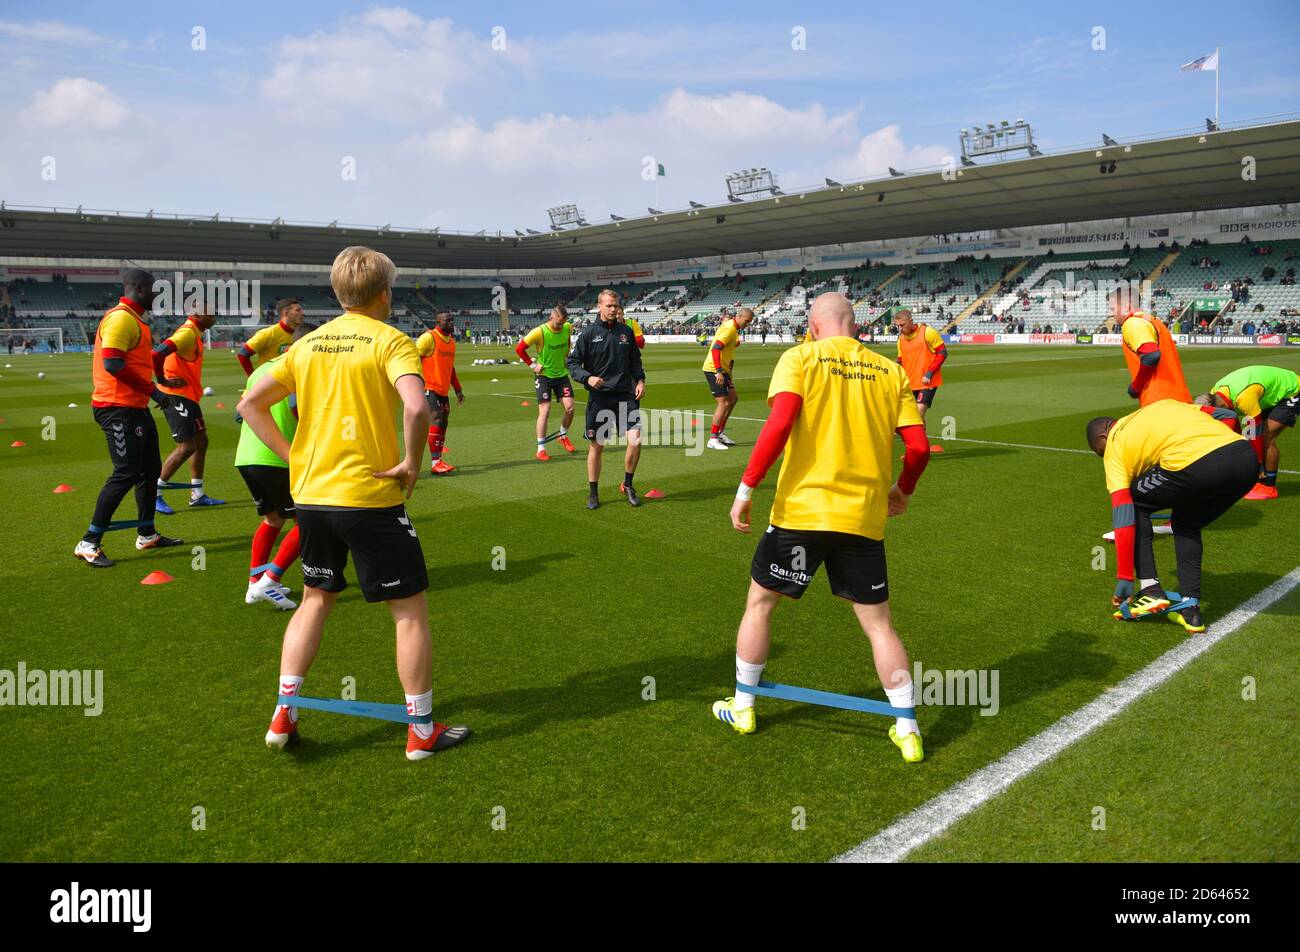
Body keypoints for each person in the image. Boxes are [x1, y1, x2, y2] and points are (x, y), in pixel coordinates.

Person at [239, 246, 468, 761]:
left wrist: (293, 456)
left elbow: (250, 404)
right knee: (408, 611)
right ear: (384, 294)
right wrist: (412, 462)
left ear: (339, 293)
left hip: (314, 497)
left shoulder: (309, 344)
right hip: (370, 497)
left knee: (315, 597)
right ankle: (421, 730)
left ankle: (284, 711)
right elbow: (417, 406)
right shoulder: (393, 341)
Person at [715, 293, 931, 763]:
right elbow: (918, 447)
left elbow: (779, 423)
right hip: (862, 518)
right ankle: (908, 728)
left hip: (802, 514)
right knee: (879, 627)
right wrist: (904, 490)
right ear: (854, 326)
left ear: (813, 326)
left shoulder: (800, 357)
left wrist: (746, 488)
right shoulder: (888, 369)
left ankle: (745, 705)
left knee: (760, 604)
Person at [1086, 401, 1257, 634]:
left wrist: (1125, 577)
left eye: (1099, 451)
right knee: (1186, 522)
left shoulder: (1115, 446)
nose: (1102, 456)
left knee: (1135, 503)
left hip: (1195, 465)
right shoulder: (1163, 405)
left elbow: (1124, 517)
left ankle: (1150, 591)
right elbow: (1226, 415)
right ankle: (1191, 609)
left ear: (1104, 436)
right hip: (1246, 461)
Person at [73, 269, 185, 567]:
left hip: (133, 408)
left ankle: (147, 533)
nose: (158, 297)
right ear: (141, 288)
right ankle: (89, 541)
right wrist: (156, 393)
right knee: (125, 472)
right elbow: (112, 363)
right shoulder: (122, 318)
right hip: (116, 407)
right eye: (155, 291)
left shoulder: (136, 320)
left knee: (150, 469)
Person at [235, 323, 317, 610]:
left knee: (273, 519)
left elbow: (240, 409)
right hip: (277, 456)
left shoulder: (262, 368)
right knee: (308, 521)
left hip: (247, 456)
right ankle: (269, 581)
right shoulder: (301, 367)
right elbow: (299, 409)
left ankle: (254, 583)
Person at [566, 288, 646, 509]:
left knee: (635, 439)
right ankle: (593, 492)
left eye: (616, 305)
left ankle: (628, 485)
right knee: (597, 446)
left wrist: (640, 381)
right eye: (609, 305)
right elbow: (572, 363)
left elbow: (635, 362)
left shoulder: (626, 332)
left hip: (625, 396)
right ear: (599, 307)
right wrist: (587, 378)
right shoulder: (588, 333)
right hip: (600, 399)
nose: (613, 309)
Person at [152, 310, 224, 513]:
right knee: (187, 447)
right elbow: (157, 353)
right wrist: (163, 381)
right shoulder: (187, 333)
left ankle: (197, 494)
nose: (214, 318)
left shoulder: (194, 333)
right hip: (177, 396)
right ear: (198, 314)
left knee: (202, 441)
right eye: (211, 314)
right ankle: (155, 494)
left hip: (188, 396)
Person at [1196, 365, 1300, 500]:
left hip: (1293, 389)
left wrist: (1258, 464)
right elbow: (1237, 428)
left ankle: (1269, 487)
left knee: (1267, 436)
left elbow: (1254, 433)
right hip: (1266, 395)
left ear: (1221, 407)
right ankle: (1257, 481)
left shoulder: (1244, 399)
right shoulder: (1215, 394)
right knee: (1249, 438)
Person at [515, 304, 578, 461]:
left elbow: (568, 341)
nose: (560, 326)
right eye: (558, 323)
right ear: (551, 316)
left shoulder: (567, 327)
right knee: (545, 410)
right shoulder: (539, 332)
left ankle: (562, 436)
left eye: (563, 323)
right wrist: (532, 365)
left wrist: (567, 355)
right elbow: (519, 349)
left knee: (570, 408)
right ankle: (541, 449)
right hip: (544, 376)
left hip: (561, 375)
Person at [1115, 288, 1190, 405]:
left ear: (1125, 306)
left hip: (1159, 400)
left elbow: (1151, 355)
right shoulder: (1153, 320)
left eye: (1113, 308)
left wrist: (1135, 386)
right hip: (1178, 396)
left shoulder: (1133, 323)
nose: (1111, 313)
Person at [415, 310, 464, 475]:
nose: (451, 323)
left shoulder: (451, 341)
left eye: (452, 320)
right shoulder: (429, 337)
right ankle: (435, 463)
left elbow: (451, 368)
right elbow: (413, 358)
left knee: (443, 422)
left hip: (443, 390)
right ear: (438, 322)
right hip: (429, 388)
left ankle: (438, 460)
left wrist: (458, 389)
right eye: (448, 321)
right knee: (436, 419)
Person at [702, 307, 755, 450]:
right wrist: (719, 371)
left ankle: (720, 433)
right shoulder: (730, 328)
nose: (747, 324)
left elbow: (729, 346)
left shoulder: (732, 327)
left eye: (749, 322)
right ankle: (712, 439)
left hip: (724, 369)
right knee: (724, 403)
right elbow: (715, 349)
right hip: (714, 369)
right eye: (746, 321)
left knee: (733, 399)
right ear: (739, 316)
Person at [894, 308, 947, 419]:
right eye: (897, 326)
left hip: (927, 382)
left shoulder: (927, 332)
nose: (900, 328)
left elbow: (942, 352)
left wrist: (930, 372)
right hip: (910, 383)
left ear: (911, 321)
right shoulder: (901, 339)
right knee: (916, 418)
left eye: (902, 325)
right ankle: (921, 436)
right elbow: (900, 361)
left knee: (917, 415)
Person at [236, 298, 304, 376]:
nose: (302, 313)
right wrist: (252, 378)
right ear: (286, 313)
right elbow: (243, 354)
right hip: (273, 383)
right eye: (298, 310)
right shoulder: (269, 334)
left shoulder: (303, 333)